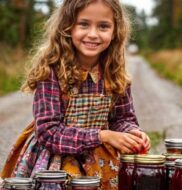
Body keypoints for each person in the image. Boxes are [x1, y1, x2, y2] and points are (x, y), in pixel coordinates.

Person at [1, 0, 151, 189]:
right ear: (67, 26)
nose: (93, 34)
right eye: (84, 24)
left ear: (115, 32)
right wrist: (102, 136)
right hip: (55, 160)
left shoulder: (115, 73)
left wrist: (131, 132)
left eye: (103, 26)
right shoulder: (52, 72)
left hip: (101, 161)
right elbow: (49, 132)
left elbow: (122, 118)